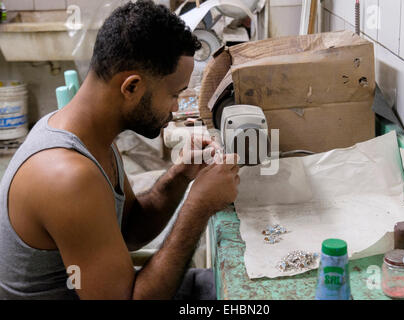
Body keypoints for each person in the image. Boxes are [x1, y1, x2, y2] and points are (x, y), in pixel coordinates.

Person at [0, 0, 240, 300]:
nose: (177, 107)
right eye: (174, 94)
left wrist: (180, 176)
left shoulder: (91, 135)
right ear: (131, 87)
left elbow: (131, 231)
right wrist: (199, 206)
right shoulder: (67, 177)